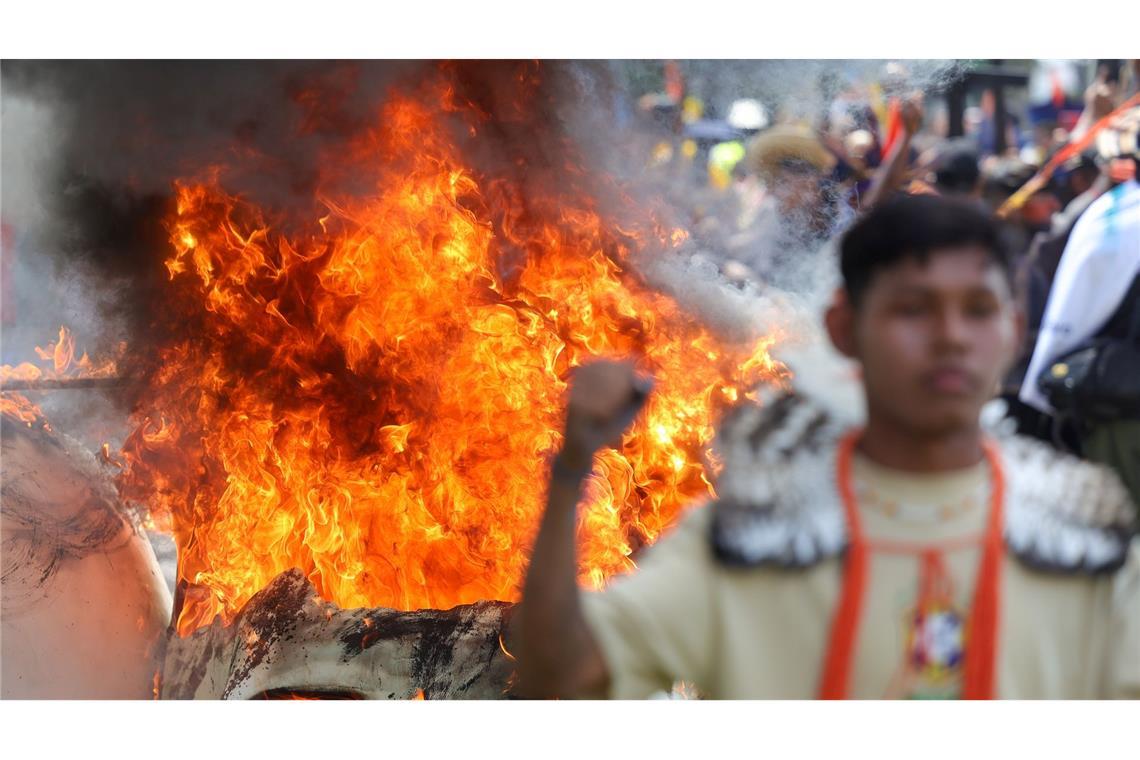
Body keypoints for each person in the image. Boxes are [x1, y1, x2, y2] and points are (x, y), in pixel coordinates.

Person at [514, 194, 1139, 699]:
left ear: (1014, 330)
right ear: (844, 328)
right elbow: (563, 679)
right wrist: (571, 467)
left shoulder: (1085, 543)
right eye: (913, 309)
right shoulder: (745, 541)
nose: (951, 337)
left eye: (978, 309)